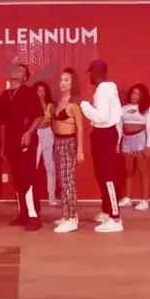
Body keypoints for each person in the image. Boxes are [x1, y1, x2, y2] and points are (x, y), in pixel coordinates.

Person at [0, 63, 44, 231]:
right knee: (17, 179)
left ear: (25, 78)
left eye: (21, 70)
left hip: (26, 141)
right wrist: (2, 146)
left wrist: (29, 133)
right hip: (10, 144)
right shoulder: (4, 96)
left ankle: (33, 215)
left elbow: (39, 116)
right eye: (16, 69)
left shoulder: (29, 93)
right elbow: (1, 123)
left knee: (28, 177)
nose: (17, 71)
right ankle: (23, 213)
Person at [79, 59, 124, 233]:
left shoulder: (104, 89)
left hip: (105, 134)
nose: (89, 76)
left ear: (97, 72)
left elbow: (103, 117)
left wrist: (83, 105)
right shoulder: (106, 89)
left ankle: (115, 217)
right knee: (101, 175)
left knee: (107, 176)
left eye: (91, 72)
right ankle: (107, 211)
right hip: (104, 134)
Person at [52, 68, 84, 233]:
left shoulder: (74, 104)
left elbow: (80, 127)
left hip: (69, 143)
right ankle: (68, 215)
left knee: (68, 182)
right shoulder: (59, 102)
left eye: (67, 80)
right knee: (62, 180)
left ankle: (70, 218)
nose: (63, 83)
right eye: (61, 80)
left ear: (73, 83)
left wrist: (80, 150)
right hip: (57, 142)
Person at [118, 84, 150, 211]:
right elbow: (119, 127)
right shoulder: (123, 109)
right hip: (126, 140)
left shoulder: (146, 110)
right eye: (133, 93)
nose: (134, 96)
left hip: (140, 139)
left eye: (138, 94)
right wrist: (118, 143)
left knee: (142, 171)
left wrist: (149, 145)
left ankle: (144, 200)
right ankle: (128, 198)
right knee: (128, 171)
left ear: (142, 96)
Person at [34, 81, 58, 206]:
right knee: (33, 165)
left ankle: (51, 195)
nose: (41, 93)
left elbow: (53, 121)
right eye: (38, 90)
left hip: (47, 132)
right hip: (35, 133)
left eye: (43, 90)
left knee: (50, 166)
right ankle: (31, 196)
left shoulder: (50, 105)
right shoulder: (31, 104)